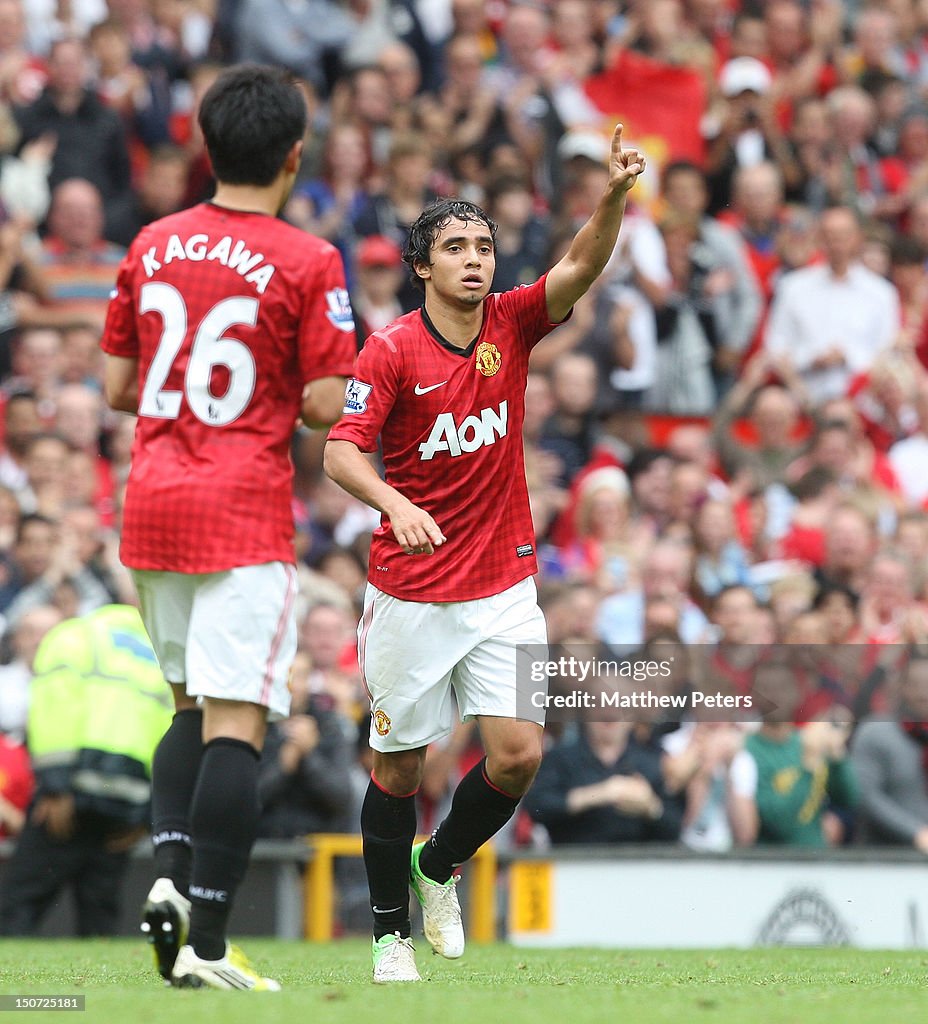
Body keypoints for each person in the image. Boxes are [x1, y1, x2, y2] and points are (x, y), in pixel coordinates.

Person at [324, 123, 645, 982]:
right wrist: (395, 502)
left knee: (519, 754)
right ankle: (390, 933)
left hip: (503, 582)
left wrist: (611, 197)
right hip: (411, 591)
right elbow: (340, 451)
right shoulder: (392, 349)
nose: (475, 259)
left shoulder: (512, 321)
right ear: (422, 266)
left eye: (484, 245)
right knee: (397, 768)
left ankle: (438, 867)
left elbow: (580, 265)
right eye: (455, 247)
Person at [100, 65, 356, 991]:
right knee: (238, 722)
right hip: (240, 507)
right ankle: (206, 941)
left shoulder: (154, 241)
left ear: (206, 148)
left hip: (153, 499)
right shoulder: (307, 259)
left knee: (186, 705)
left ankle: (167, 883)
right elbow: (328, 404)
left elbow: (119, 388)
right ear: (295, 156)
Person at [0, 604, 172, 936]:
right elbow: (170, 737)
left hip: (72, 789)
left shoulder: (75, 636)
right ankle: (100, 982)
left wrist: (55, 787)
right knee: (100, 906)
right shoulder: (160, 655)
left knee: (20, 902)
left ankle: (11, 982)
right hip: (129, 800)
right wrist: (148, 814)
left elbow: (54, 711)